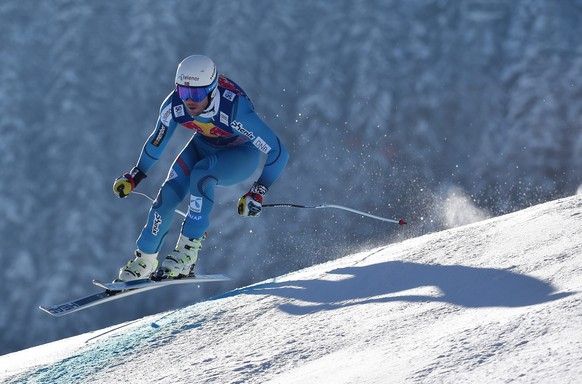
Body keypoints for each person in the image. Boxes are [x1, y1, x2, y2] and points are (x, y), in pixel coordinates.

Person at [113, 54, 289, 281]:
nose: (189, 100)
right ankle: (144, 259)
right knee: (168, 192)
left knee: (202, 174)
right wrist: (136, 175)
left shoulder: (234, 109)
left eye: (195, 93)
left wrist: (258, 190)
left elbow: (279, 151)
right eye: (183, 92)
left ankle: (187, 253)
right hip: (202, 145)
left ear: (212, 89)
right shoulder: (174, 105)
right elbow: (157, 141)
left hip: (240, 155)